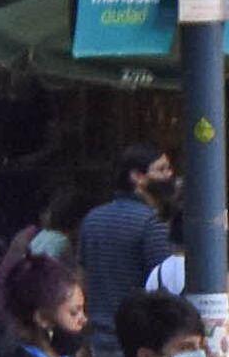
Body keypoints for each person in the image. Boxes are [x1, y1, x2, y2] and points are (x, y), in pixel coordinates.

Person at [74, 142, 179, 334]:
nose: (169, 175)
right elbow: (165, 285)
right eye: (161, 169)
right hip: (137, 337)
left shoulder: (92, 218)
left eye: (169, 168)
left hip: (99, 335)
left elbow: (82, 278)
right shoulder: (151, 222)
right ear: (137, 177)